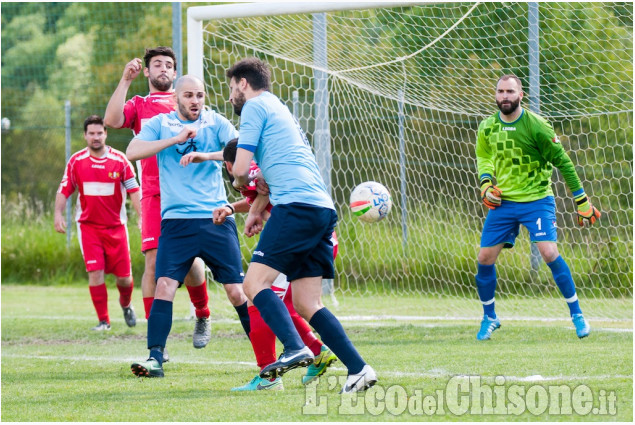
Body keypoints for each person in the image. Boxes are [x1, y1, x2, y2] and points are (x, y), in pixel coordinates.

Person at [225, 57, 376, 393]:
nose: (231, 97)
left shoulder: (253, 107)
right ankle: (359, 369)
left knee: (253, 284)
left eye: (232, 89)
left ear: (244, 84)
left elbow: (240, 169)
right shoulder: (278, 108)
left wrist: (240, 183)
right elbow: (272, 170)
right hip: (321, 208)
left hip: (296, 206)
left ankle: (295, 347)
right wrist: (256, 204)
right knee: (308, 303)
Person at [183, 139, 338, 391]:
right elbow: (259, 193)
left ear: (231, 164)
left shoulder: (252, 172)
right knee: (282, 307)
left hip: (300, 241)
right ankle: (317, 351)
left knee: (256, 295)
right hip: (315, 237)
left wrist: (250, 204)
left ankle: (269, 376)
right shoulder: (255, 166)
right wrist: (232, 207)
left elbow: (260, 189)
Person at [126, 75, 249, 378]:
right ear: (177, 98)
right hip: (176, 221)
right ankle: (155, 358)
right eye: (189, 96)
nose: (195, 101)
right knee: (164, 285)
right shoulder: (161, 122)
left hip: (216, 218)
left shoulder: (215, 121)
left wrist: (205, 154)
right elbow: (132, 151)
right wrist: (175, 139)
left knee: (236, 291)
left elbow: (243, 151)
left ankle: (269, 353)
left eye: (200, 95)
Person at [104, 47, 219, 352]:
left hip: (186, 190)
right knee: (153, 262)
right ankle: (157, 343)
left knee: (192, 260)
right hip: (154, 192)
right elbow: (111, 119)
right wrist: (124, 81)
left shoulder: (186, 100)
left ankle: (203, 314)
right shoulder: (140, 104)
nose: (164, 69)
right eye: (158, 65)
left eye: (169, 65)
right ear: (147, 71)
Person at [474, 74, 601, 341]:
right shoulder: (487, 127)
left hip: (536, 200)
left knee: (549, 252)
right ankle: (490, 317)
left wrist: (581, 200)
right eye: (500, 91)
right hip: (504, 202)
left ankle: (577, 315)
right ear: (495, 95)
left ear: (521, 95)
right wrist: (486, 184)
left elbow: (564, 163)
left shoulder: (537, 126)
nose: (504, 96)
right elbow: (484, 156)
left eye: (510, 91)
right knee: (484, 259)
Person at [54, 115, 141, 331]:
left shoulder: (120, 161)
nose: (95, 137)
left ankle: (127, 305)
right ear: (85, 135)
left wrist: (142, 217)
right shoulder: (76, 161)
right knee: (95, 272)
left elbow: (134, 191)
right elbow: (64, 189)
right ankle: (104, 321)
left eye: (99, 133)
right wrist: (58, 213)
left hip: (116, 227)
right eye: (91, 133)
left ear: (106, 134)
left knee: (124, 279)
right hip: (89, 227)